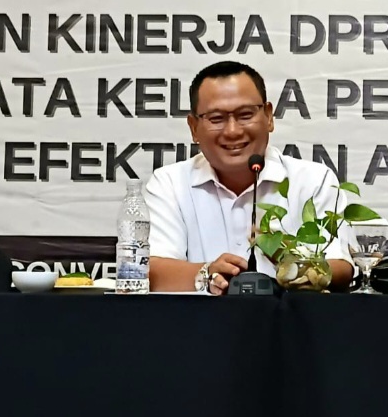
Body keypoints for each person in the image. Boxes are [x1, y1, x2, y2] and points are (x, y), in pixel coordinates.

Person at [144, 61, 355, 294]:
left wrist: (289, 260)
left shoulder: (313, 180)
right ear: (194, 127)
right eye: (216, 118)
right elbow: (152, 271)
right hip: (200, 317)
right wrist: (207, 273)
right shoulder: (170, 183)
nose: (233, 131)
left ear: (269, 117)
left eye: (245, 115)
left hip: (290, 317)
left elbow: (342, 268)